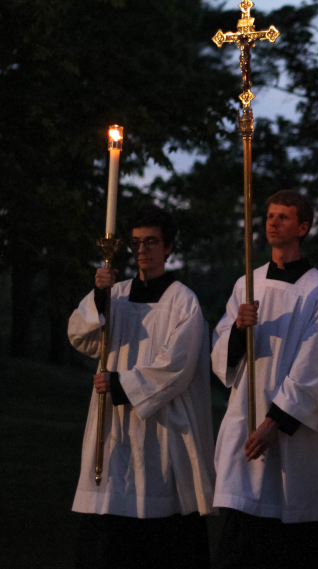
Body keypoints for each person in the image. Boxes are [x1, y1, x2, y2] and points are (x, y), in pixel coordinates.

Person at [67, 205, 215, 568]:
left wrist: (121, 383)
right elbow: (80, 337)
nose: (142, 250)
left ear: (168, 248)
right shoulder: (114, 294)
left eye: (151, 242)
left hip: (162, 428)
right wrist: (98, 298)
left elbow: (177, 366)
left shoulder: (183, 301)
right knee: (108, 530)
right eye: (135, 243)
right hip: (113, 429)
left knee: (159, 534)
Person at [211, 190, 318, 569]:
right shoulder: (246, 285)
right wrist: (238, 329)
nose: (272, 222)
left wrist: (275, 422)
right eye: (269, 215)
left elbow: (315, 365)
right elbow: (221, 353)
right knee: (241, 539)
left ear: (303, 227)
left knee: (290, 542)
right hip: (245, 422)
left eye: (283, 217)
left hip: (293, 434)